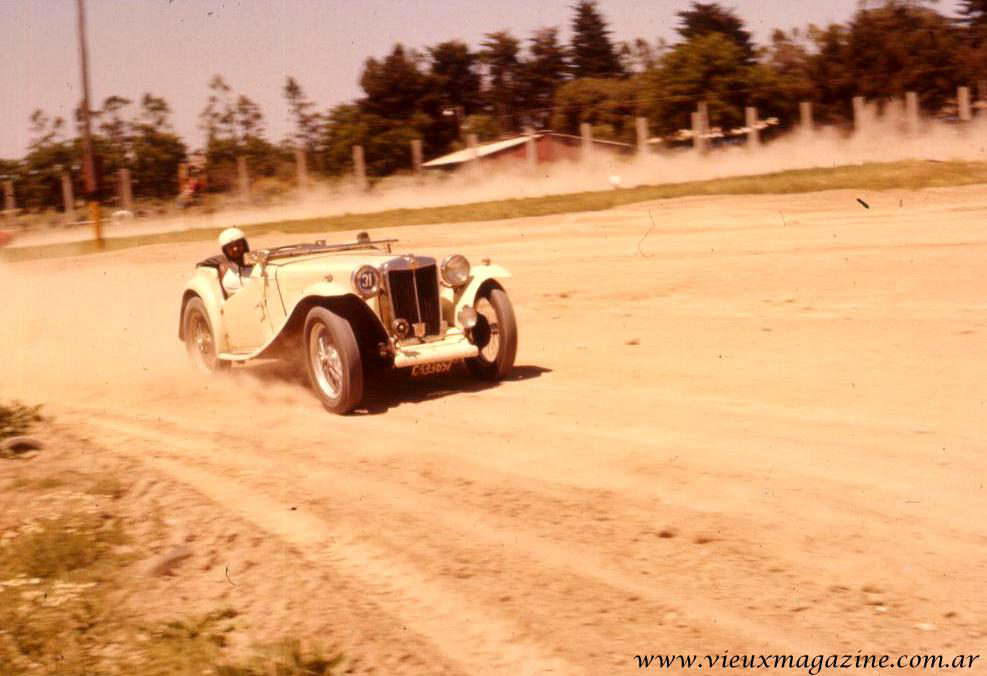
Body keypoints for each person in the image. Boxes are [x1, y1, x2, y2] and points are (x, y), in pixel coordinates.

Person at [217, 227, 251, 296]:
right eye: (230, 247)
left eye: (238, 245)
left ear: (244, 245)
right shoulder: (224, 268)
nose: (235, 249)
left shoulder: (256, 264)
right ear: (225, 251)